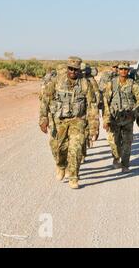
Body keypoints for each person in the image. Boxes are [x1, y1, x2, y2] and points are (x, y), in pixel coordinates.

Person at [39, 56, 99, 189]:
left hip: (78, 121)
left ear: (79, 70)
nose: (73, 71)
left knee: (75, 148)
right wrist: (43, 119)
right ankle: (61, 166)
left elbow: (92, 106)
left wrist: (94, 128)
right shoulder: (57, 81)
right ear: (67, 68)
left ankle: (73, 177)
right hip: (59, 121)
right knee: (58, 148)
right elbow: (45, 100)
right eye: (70, 69)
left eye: (75, 69)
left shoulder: (84, 84)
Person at [102, 61, 139, 173]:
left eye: (125, 69)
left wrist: (135, 112)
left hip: (128, 119)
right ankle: (116, 157)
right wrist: (106, 120)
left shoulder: (132, 84)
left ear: (128, 71)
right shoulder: (111, 83)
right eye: (121, 69)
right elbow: (106, 102)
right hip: (114, 119)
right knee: (114, 143)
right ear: (118, 70)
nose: (123, 71)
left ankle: (125, 164)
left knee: (127, 142)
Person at [80, 63, 101, 163]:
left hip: (89, 109)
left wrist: (95, 108)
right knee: (80, 133)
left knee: (87, 131)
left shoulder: (91, 81)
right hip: (79, 111)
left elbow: (96, 95)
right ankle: (82, 153)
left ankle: (83, 153)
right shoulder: (76, 80)